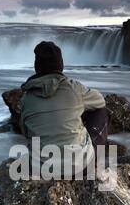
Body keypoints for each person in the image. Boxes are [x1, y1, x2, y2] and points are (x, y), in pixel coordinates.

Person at [20, 41, 112, 173]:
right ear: (61, 65)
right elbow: (100, 101)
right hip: (79, 167)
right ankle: (95, 161)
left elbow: (26, 133)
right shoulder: (74, 89)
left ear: (36, 66)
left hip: (42, 168)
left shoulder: (26, 98)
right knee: (102, 112)